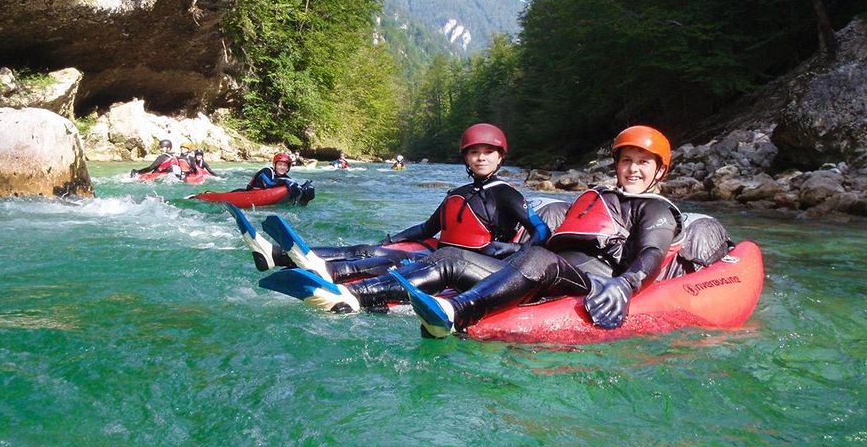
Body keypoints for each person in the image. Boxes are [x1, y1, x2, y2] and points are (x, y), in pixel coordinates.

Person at [391, 125, 683, 337]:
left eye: (643, 162)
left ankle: (457, 311)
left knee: (538, 258)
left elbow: (652, 253)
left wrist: (627, 284)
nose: (633, 169)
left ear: (659, 171)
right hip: (546, 274)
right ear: (617, 164)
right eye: (627, 160)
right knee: (453, 256)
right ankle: (361, 296)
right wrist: (517, 250)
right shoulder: (602, 196)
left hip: (588, 282)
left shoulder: (656, 209)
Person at [258, 123, 552, 309]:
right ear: (466, 157)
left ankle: (352, 290)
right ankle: (282, 255)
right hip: (444, 255)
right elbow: (428, 228)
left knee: (407, 265)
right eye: (475, 152)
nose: (481, 157)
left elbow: (540, 231)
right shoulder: (457, 193)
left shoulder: (507, 194)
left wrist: (517, 250)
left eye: (489, 152)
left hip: (479, 268)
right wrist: (394, 238)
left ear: (500, 157)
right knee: (374, 252)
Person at [245, 152, 315, 204]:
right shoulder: (266, 171)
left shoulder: (285, 177)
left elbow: (293, 185)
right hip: (250, 193)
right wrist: (285, 181)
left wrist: (304, 192)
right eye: (280, 164)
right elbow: (269, 183)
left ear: (288, 167)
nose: (282, 167)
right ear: (274, 165)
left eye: (285, 165)